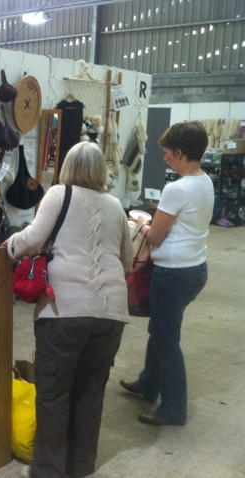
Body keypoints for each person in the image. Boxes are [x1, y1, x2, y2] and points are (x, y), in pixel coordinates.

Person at [4, 142, 133, 478]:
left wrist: (8, 246)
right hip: (112, 313)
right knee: (91, 390)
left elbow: (32, 240)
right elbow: (128, 260)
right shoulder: (116, 206)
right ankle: (81, 466)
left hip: (65, 312)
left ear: (68, 168)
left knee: (54, 392)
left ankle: (48, 470)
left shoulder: (59, 194)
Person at [120, 121, 213, 427]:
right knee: (160, 331)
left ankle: (173, 408)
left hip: (173, 273)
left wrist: (139, 223)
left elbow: (155, 236)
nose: (165, 158)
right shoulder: (205, 182)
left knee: (166, 341)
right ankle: (149, 383)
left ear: (180, 152)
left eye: (168, 153)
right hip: (195, 268)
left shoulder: (177, 188)